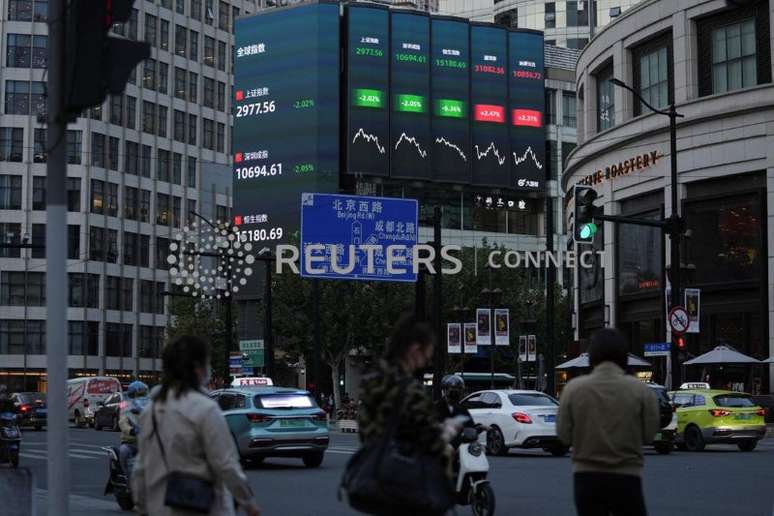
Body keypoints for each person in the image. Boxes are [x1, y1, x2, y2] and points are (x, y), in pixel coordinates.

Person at [132, 336, 260, 516]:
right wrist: (248, 502)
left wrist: (141, 505)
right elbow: (226, 464)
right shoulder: (206, 409)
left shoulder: (151, 411)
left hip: (159, 507)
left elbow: (140, 468)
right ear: (198, 368)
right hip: (202, 507)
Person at [358, 314, 459, 513]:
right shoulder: (410, 390)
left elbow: (367, 431)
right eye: (428, 351)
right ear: (414, 349)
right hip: (407, 481)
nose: (429, 358)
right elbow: (431, 441)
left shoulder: (372, 381)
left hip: (377, 475)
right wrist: (447, 431)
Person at [557, 328, 660, 516]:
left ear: (592, 355)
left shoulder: (573, 389)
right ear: (623, 356)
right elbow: (649, 435)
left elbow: (564, 436)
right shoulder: (642, 391)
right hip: (627, 476)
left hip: (586, 476)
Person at [118, 380, 149, 478]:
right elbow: (122, 420)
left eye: (142, 394)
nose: (140, 397)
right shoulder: (125, 405)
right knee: (123, 452)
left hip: (147, 442)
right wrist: (130, 430)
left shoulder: (150, 406)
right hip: (130, 441)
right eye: (138, 395)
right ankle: (127, 477)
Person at [435, 374, 475, 449]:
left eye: (458, 389)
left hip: (459, 446)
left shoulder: (461, 408)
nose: (455, 393)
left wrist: (481, 427)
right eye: (452, 390)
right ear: (445, 390)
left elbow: (470, 424)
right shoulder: (437, 407)